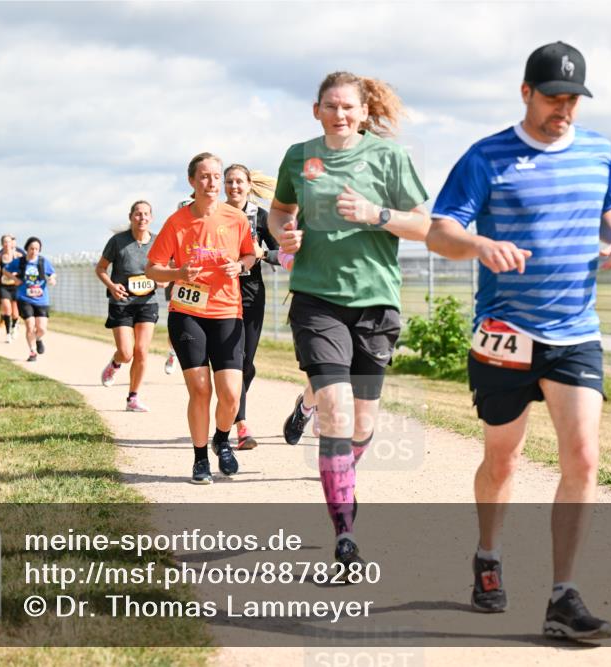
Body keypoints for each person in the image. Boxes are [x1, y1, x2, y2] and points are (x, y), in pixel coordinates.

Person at [426, 42, 611, 640]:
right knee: (504, 459)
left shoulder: (599, 151)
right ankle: (489, 555)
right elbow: (440, 231)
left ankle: (562, 596)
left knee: (584, 458)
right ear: (526, 93)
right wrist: (477, 245)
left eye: (572, 99)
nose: (563, 109)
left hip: (575, 331)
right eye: (552, 98)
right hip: (505, 334)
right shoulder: (486, 156)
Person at [269, 71, 430, 566]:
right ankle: (344, 531)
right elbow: (279, 211)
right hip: (317, 297)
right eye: (331, 106)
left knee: (362, 424)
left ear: (364, 113)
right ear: (316, 109)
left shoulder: (390, 158)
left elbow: (425, 226)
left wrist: (375, 214)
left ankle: (344, 475)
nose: (340, 114)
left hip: (375, 302)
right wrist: (284, 236)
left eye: (348, 107)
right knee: (335, 412)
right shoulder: (299, 156)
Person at [146, 153, 256, 485]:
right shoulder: (177, 222)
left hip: (226, 312)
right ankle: (199, 459)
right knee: (200, 389)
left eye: (216, 176)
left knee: (231, 395)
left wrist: (241, 266)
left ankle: (221, 439)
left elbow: (249, 253)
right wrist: (179, 271)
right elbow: (152, 268)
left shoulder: (235, 218)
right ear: (192, 182)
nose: (212, 183)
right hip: (187, 313)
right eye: (204, 177)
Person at [224, 165, 280, 450]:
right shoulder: (214, 213)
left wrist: (263, 253)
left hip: (251, 293)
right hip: (220, 294)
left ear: (248, 186)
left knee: (245, 363)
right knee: (233, 361)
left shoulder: (261, 216)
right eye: (229, 182)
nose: (234, 187)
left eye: (239, 182)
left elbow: (281, 254)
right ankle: (241, 426)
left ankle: (235, 398)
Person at [96, 200, 162, 412]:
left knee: (142, 351)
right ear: (130, 217)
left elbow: (168, 269)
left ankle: (133, 397)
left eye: (146, 214)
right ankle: (115, 364)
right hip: (122, 302)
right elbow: (101, 269)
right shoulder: (117, 241)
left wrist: (165, 281)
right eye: (138, 214)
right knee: (126, 353)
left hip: (147, 303)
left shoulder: (158, 242)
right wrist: (113, 286)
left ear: (151, 218)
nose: (142, 218)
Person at [3, 236, 56, 362]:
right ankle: (32, 352)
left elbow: (52, 273)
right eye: (32, 248)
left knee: (42, 329)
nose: (34, 251)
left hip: (41, 299)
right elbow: (6, 270)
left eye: (37, 249)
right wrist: (15, 279)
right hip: (24, 298)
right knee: (30, 325)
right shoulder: (20, 262)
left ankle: (38, 339)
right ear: (27, 249)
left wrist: (52, 279)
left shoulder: (43, 262)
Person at [0, 235, 23, 343]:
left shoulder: (17, 256)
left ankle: (14, 326)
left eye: (9, 242)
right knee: (6, 308)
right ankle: (8, 333)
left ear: (12, 243)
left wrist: (17, 274)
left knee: (15, 312)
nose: (7, 244)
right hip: (4, 286)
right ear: (2, 243)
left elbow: (23, 269)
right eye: (4, 242)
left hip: (15, 286)